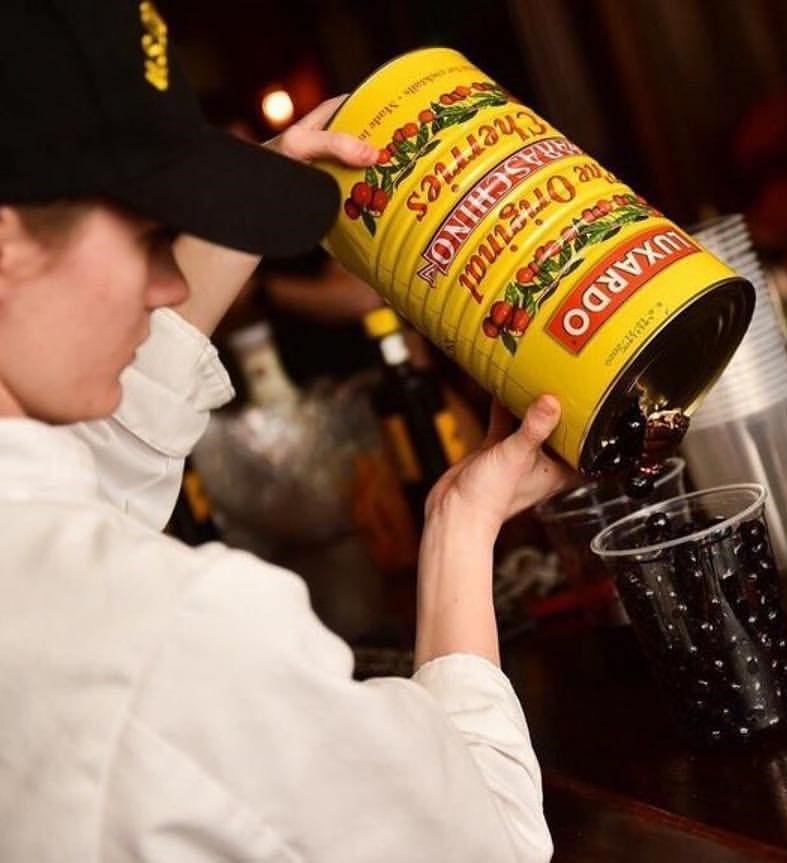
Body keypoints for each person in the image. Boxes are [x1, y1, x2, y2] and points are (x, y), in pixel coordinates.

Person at [0, 2, 570, 861]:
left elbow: (89, 477)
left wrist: (251, 197)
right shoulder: (168, 636)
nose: (166, 283)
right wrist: (464, 527)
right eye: (153, 235)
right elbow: (482, 843)